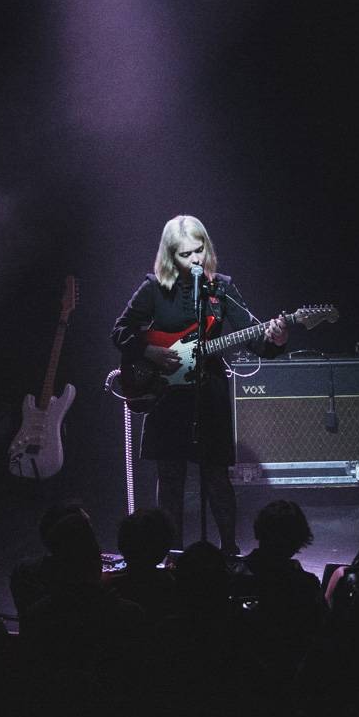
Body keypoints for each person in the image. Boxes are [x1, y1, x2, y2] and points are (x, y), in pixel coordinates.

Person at [111, 215, 287, 555]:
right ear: (169, 256)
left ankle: (229, 552)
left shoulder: (222, 287)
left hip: (209, 391)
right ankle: (171, 555)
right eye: (185, 253)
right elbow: (120, 331)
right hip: (166, 393)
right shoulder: (153, 288)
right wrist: (150, 351)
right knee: (171, 478)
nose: (195, 259)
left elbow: (253, 336)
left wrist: (276, 338)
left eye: (200, 250)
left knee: (216, 477)